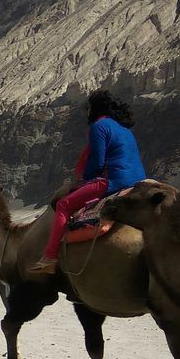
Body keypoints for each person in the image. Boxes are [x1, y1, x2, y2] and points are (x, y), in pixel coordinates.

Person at [28, 90, 147, 276]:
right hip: (138, 179)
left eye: (88, 108)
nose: (87, 113)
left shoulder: (99, 126)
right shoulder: (124, 128)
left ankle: (49, 258)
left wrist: (86, 180)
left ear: (95, 109)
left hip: (115, 181)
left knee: (63, 205)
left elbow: (97, 161)